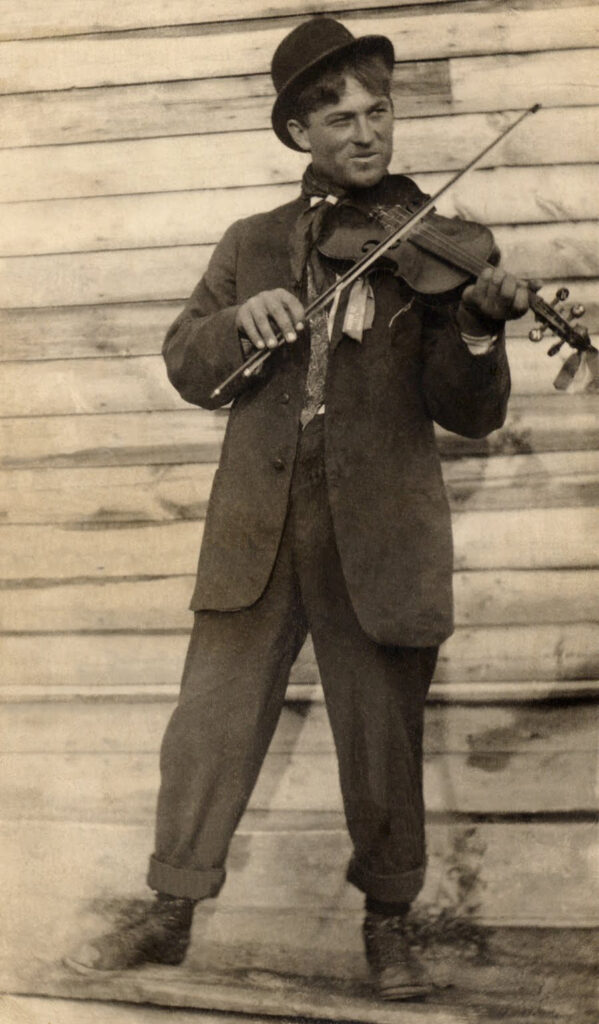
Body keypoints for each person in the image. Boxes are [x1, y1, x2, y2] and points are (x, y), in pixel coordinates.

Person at [68, 16, 530, 1000]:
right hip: (258, 526)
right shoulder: (249, 245)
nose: (364, 134)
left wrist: (481, 334)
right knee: (206, 725)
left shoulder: (444, 247)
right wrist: (237, 322)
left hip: (379, 528)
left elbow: (467, 412)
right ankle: (168, 914)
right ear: (297, 135)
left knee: (381, 734)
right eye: (338, 118)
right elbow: (188, 365)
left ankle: (388, 927)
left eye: (378, 112)